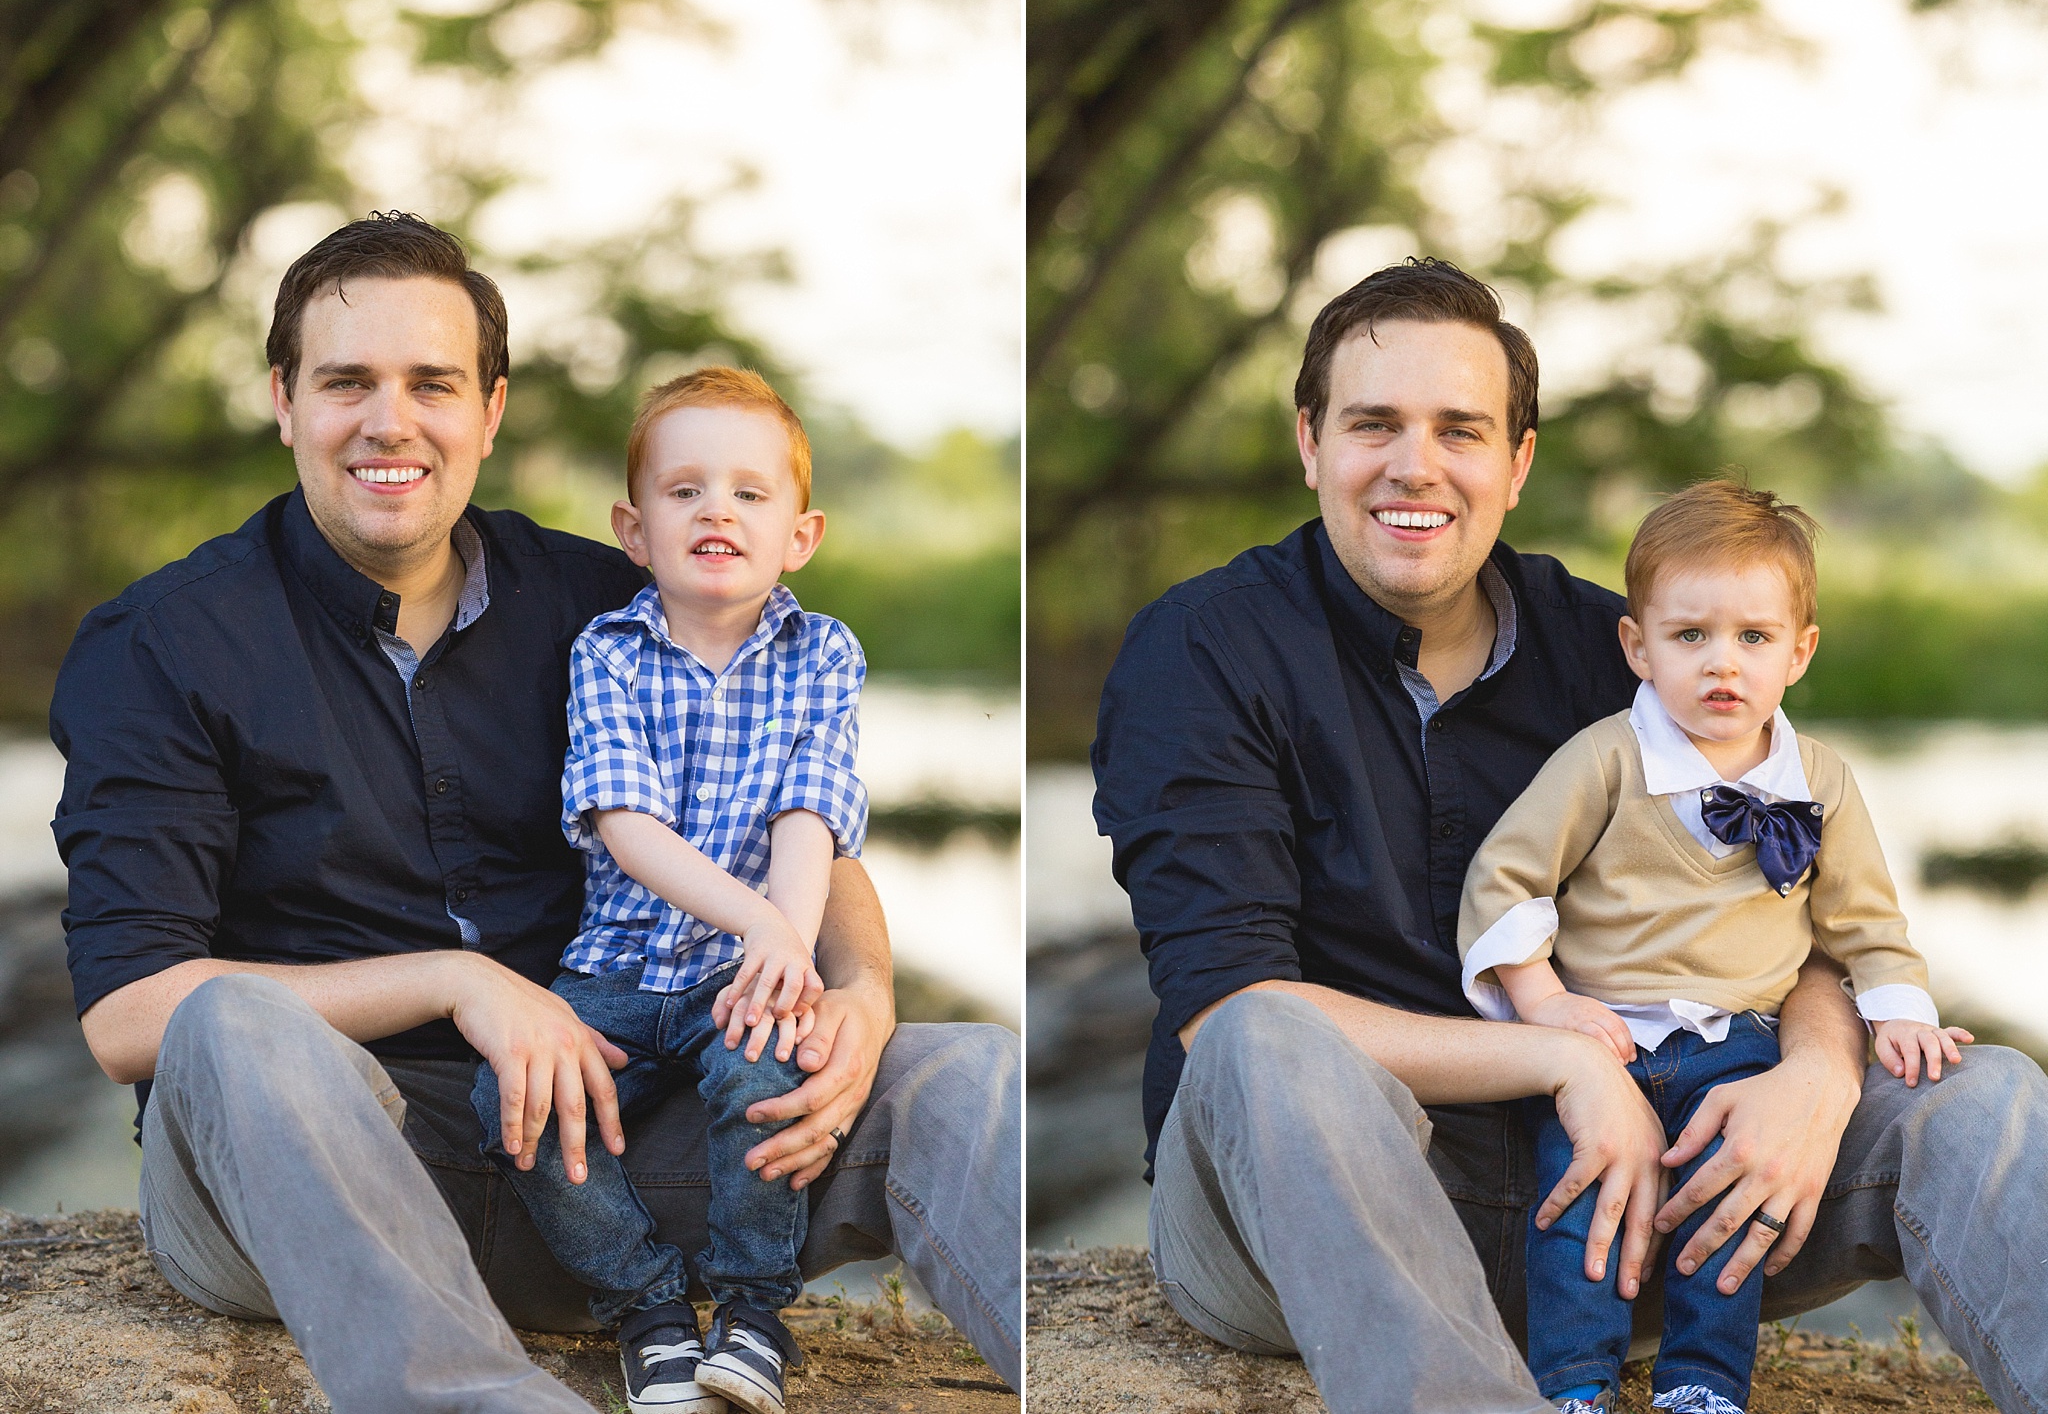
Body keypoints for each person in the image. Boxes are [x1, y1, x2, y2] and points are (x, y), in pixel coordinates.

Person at [52, 213, 1020, 1413]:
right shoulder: (164, 643)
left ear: (490, 409)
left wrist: (863, 997)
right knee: (235, 1026)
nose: (388, 421)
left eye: (432, 383)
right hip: (316, 1186)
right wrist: (459, 982)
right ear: (284, 399)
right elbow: (129, 1015)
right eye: (346, 380)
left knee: (962, 1072)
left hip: (606, 1168)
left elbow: (804, 832)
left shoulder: (618, 603)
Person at [1090, 256, 2048, 1413]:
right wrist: (1560, 1055)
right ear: (1309, 440)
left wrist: (1815, 1068)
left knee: (1982, 1093)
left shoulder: (1624, 651)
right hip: (1306, 1224)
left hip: (1638, 1202)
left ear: (1516, 460)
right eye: (1372, 423)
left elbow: (1798, 924)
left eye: (1460, 429)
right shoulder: (1199, 649)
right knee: (1266, 1041)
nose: (1414, 465)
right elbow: (1224, 1009)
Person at [1457, 480, 1970, 1414]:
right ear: (1638, 647)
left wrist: (1899, 1012)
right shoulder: (1603, 760)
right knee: (1580, 1206)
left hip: (1742, 1042)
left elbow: (1864, 922)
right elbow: (1505, 881)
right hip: (1602, 1038)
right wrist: (1545, 1005)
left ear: (1799, 652)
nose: (1721, 664)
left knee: (1729, 1207)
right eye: (1690, 636)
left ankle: (1702, 1384)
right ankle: (1573, 1384)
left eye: (1754, 638)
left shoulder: (1820, 779)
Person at [471, 367, 866, 1414]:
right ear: (633, 530)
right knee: (511, 1098)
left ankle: (750, 1313)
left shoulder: (822, 652)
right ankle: (645, 1304)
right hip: (613, 965)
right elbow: (625, 823)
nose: (716, 510)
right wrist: (763, 923)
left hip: (743, 964)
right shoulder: (606, 651)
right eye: (684, 490)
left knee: (767, 1072)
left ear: (800, 533)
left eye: (748, 491)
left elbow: (807, 812)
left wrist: (780, 949)